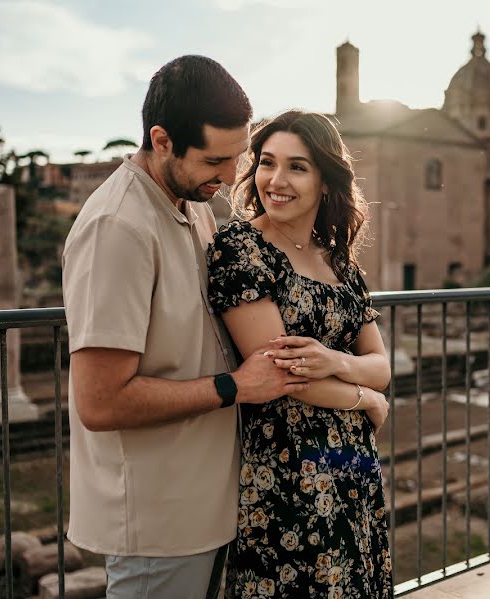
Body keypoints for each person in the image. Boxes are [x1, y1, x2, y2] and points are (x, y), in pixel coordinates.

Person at [62, 55, 309, 599]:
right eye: (216, 160)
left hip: (201, 508)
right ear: (162, 140)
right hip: (159, 521)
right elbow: (100, 402)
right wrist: (235, 386)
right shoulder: (117, 227)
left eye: (237, 158)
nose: (228, 178)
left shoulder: (190, 201)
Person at [207, 109, 393, 598]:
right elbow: (284, 374)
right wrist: (366, 401)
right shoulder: (241, 247)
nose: (276, 180)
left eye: (297, 166)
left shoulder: (340, 261)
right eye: (267, 163)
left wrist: (338, 363)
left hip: (353, 466)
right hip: (286, 469)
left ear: (326, 181)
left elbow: (381, 366)